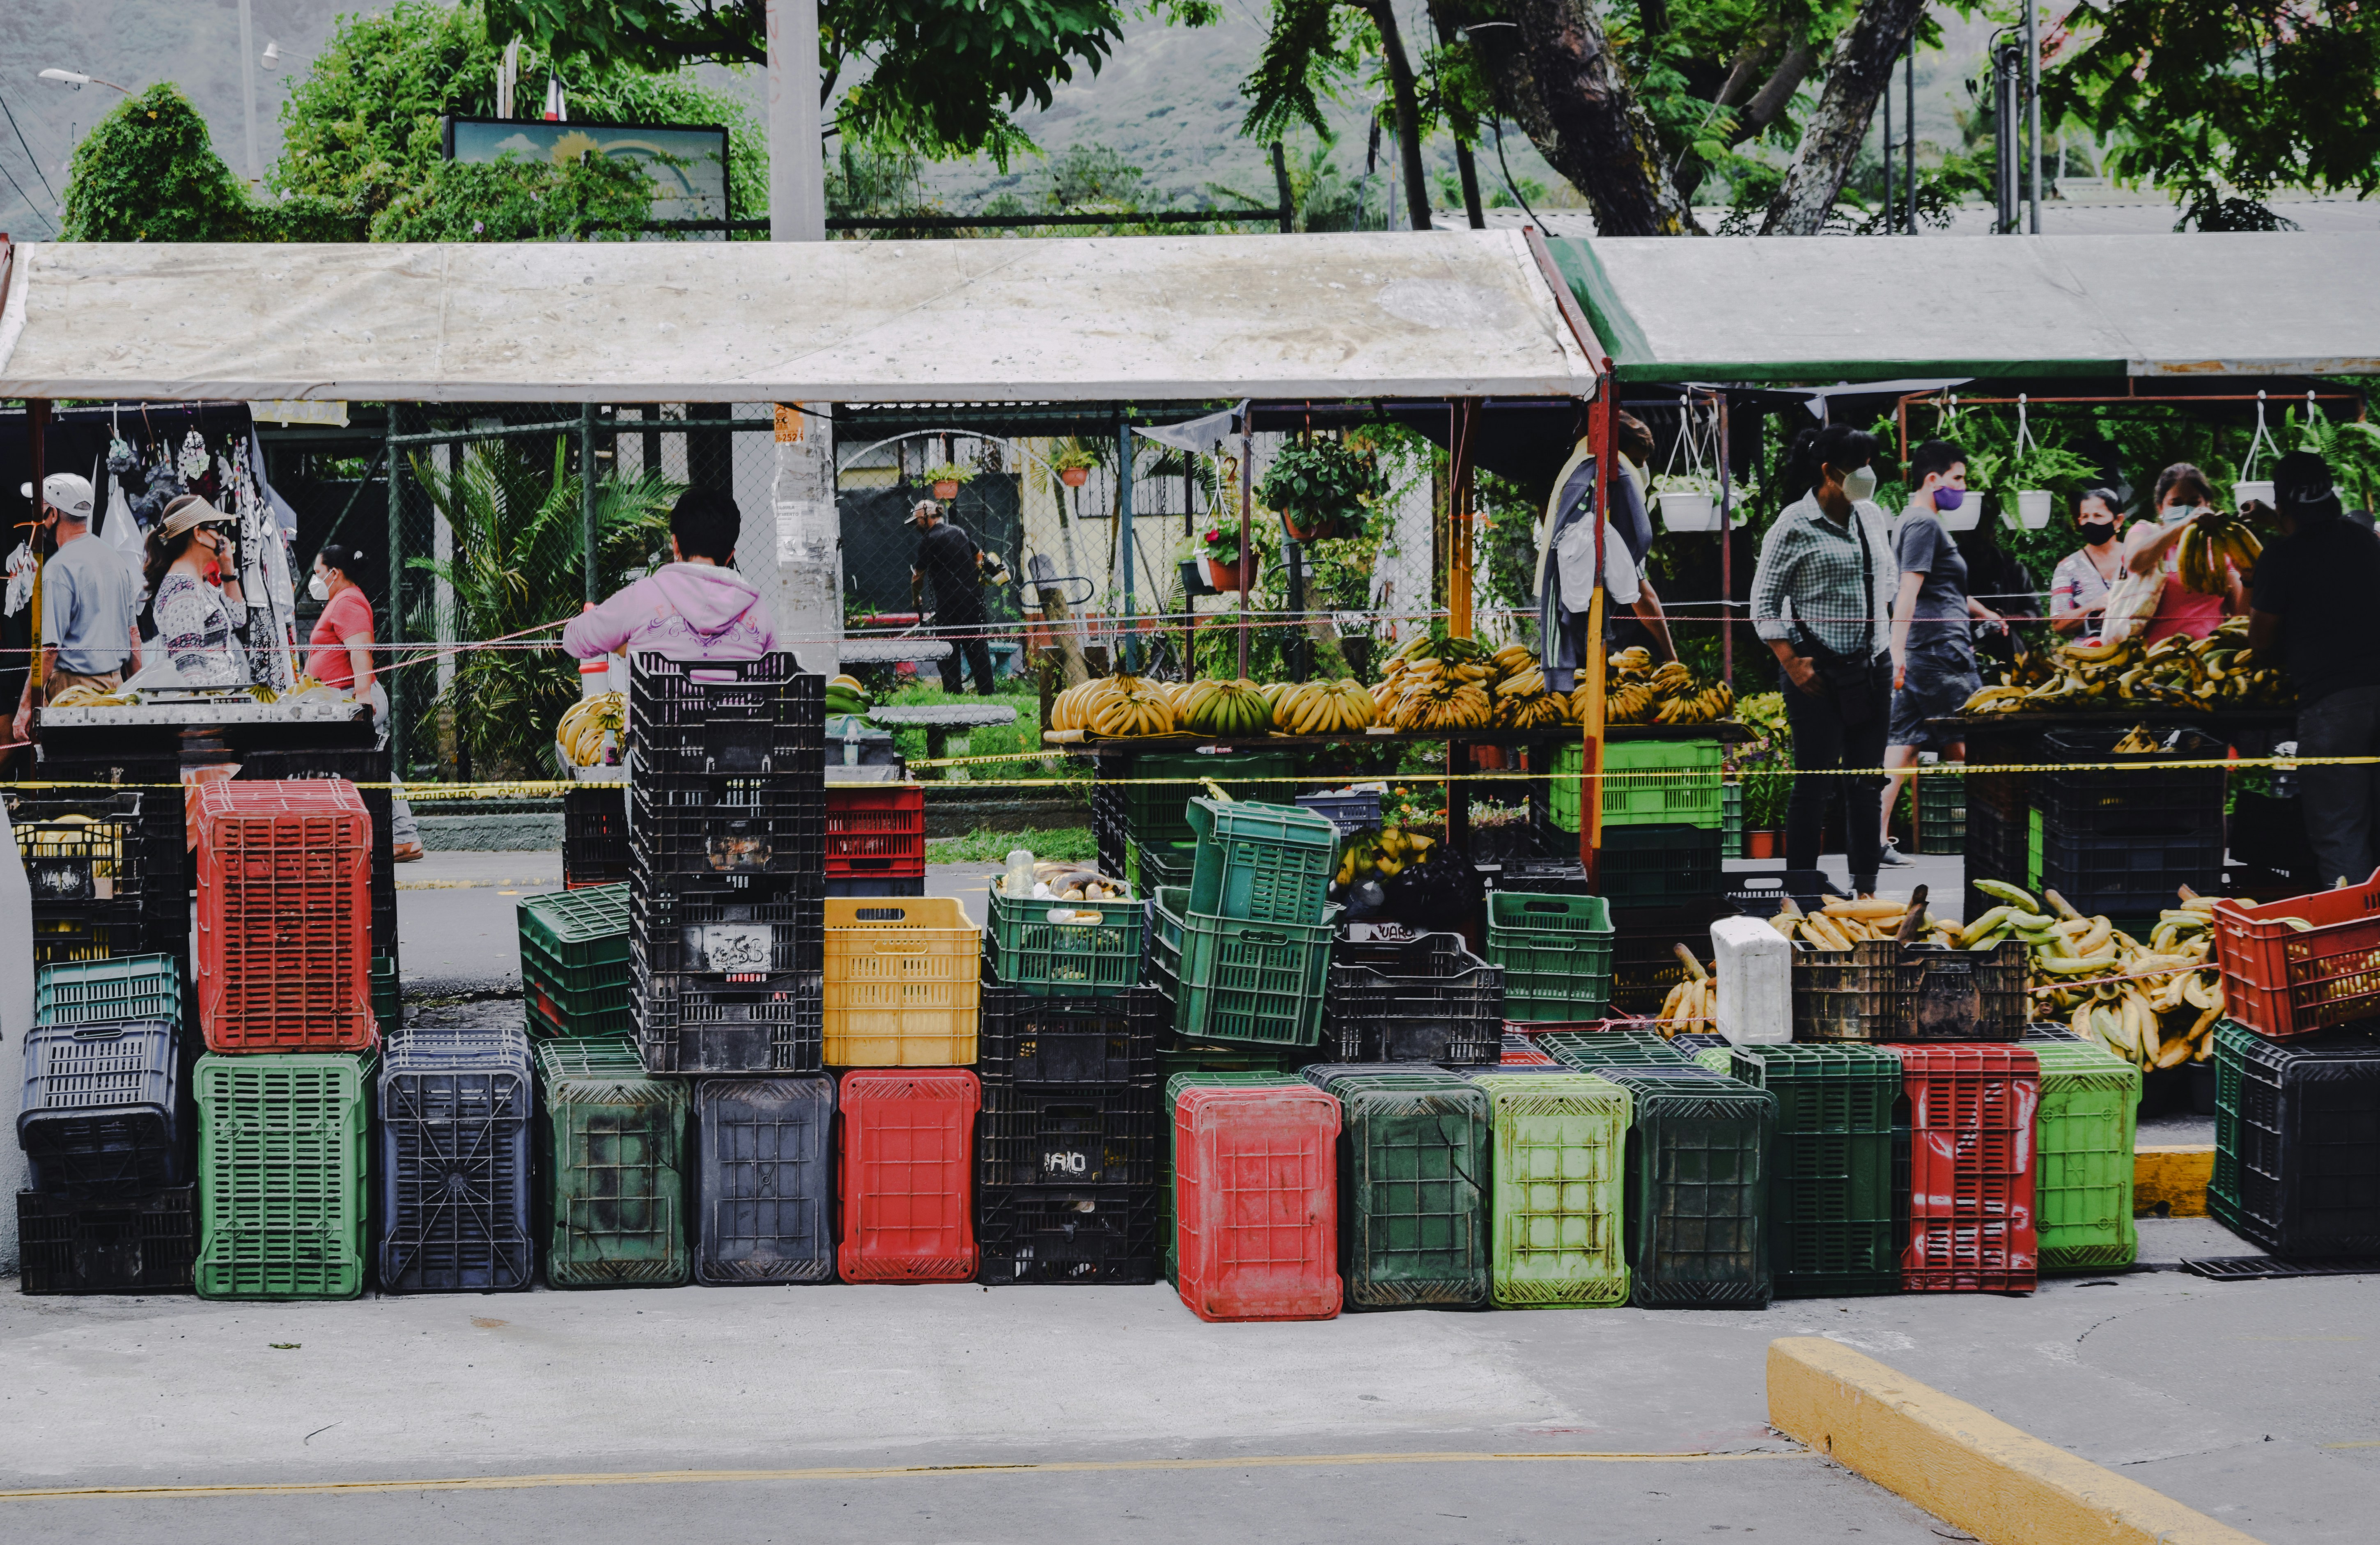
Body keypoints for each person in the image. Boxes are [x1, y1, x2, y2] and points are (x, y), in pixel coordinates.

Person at [1750, 424, 1897, 902]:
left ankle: (1866, 891)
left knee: (1866, 782)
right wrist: (1791, 660)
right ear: (1829, 472)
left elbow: (1888, 578)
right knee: (1812, 783)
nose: (1867, 475)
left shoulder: (1872, 516)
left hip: (1871, 664)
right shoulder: (1794, 524)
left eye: (1870, 464)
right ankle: (1801, 890)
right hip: (1816, 673)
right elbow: (1763, 603)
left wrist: (1880, 642)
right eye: (1857, 467)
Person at [2249, 449, 2380, 887]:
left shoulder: (2280, 557)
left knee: (2341, 828)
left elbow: (2261, 640)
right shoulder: (2363, 539)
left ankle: (2359, 946)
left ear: (2282, 506)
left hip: (2333, 706)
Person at [1878, 440, 2005, 866]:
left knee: (1903, 746)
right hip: (1938, 650)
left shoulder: (1924, 522)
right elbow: (1908, 589)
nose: (1963, 488)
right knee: (1971, 741)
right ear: (1932, 479)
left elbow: (1945, 588)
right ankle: (1997, 837)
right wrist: (1897, 649)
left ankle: (1873, 837)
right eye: (1958, 479)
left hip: (1928, 647)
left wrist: (1984, 611)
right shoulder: (1922, 524)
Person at [562, 487, 779, 665]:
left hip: (656, 719)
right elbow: (774, 671)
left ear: (675, 545)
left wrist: (619, 641)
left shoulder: (642, 597)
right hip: (738, 719)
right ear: (730, 556)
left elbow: (573, 641)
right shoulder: (757, 609)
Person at [12, 472, 141, 739]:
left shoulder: (60, 568)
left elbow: (49, 650)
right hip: (115, 688)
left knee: (76, 771)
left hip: (75, 697)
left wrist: (25, 708)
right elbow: (134, 637)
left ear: (54, 514)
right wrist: (138, 692)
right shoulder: (116, 561)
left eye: (41, 510)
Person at [2122, 464, 2247, 644]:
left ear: (2207, 504)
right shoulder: (2145, 532)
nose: (2187, 509)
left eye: (2195, 503)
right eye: (2177, 503)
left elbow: (2240, 614)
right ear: (2160, 508)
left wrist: (2249, 579)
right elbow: (2134, 562)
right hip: (2154, 656)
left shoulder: (2220, 547)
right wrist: (2184, 525)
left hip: (2208, 652)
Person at [142, 495, 249, 688]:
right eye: (216, 528)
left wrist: (227, 568)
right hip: (210, 710)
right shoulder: (182, 588)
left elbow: (238, 618)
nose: (221, 537)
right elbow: (189, 668)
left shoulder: (199, 583)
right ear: (198, 533)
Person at [908, 499, 998, 695]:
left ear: (925, 518)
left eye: (917, 521)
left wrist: (916, 599)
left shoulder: (928, 540)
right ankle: (987, 691)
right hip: (972, 599)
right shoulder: (959, 531)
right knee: (977, 646)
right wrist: (975, 574)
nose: (916, 525)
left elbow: (918, 576)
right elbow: (979, 555)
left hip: (948, 602)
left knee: (948, 647)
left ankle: (953, 690)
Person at [2048, 488, 2126, 637]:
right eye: (2085, 516)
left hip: (2136, 652)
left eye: (2098, 516)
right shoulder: (2068, 568)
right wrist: (2093, 607)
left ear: (2118, 521)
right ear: (2079, 522)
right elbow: (2058, 624)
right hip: (2089, 655)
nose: (2090, 522)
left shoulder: (2135, 558)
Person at [306, 544, 377, 699]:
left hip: (349, 695)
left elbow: (360, 649)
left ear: (334, 573)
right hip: (336, 695)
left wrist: (363, 695)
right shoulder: (341, 599)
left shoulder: (347, 601)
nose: (315, 580)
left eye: (318, 573)